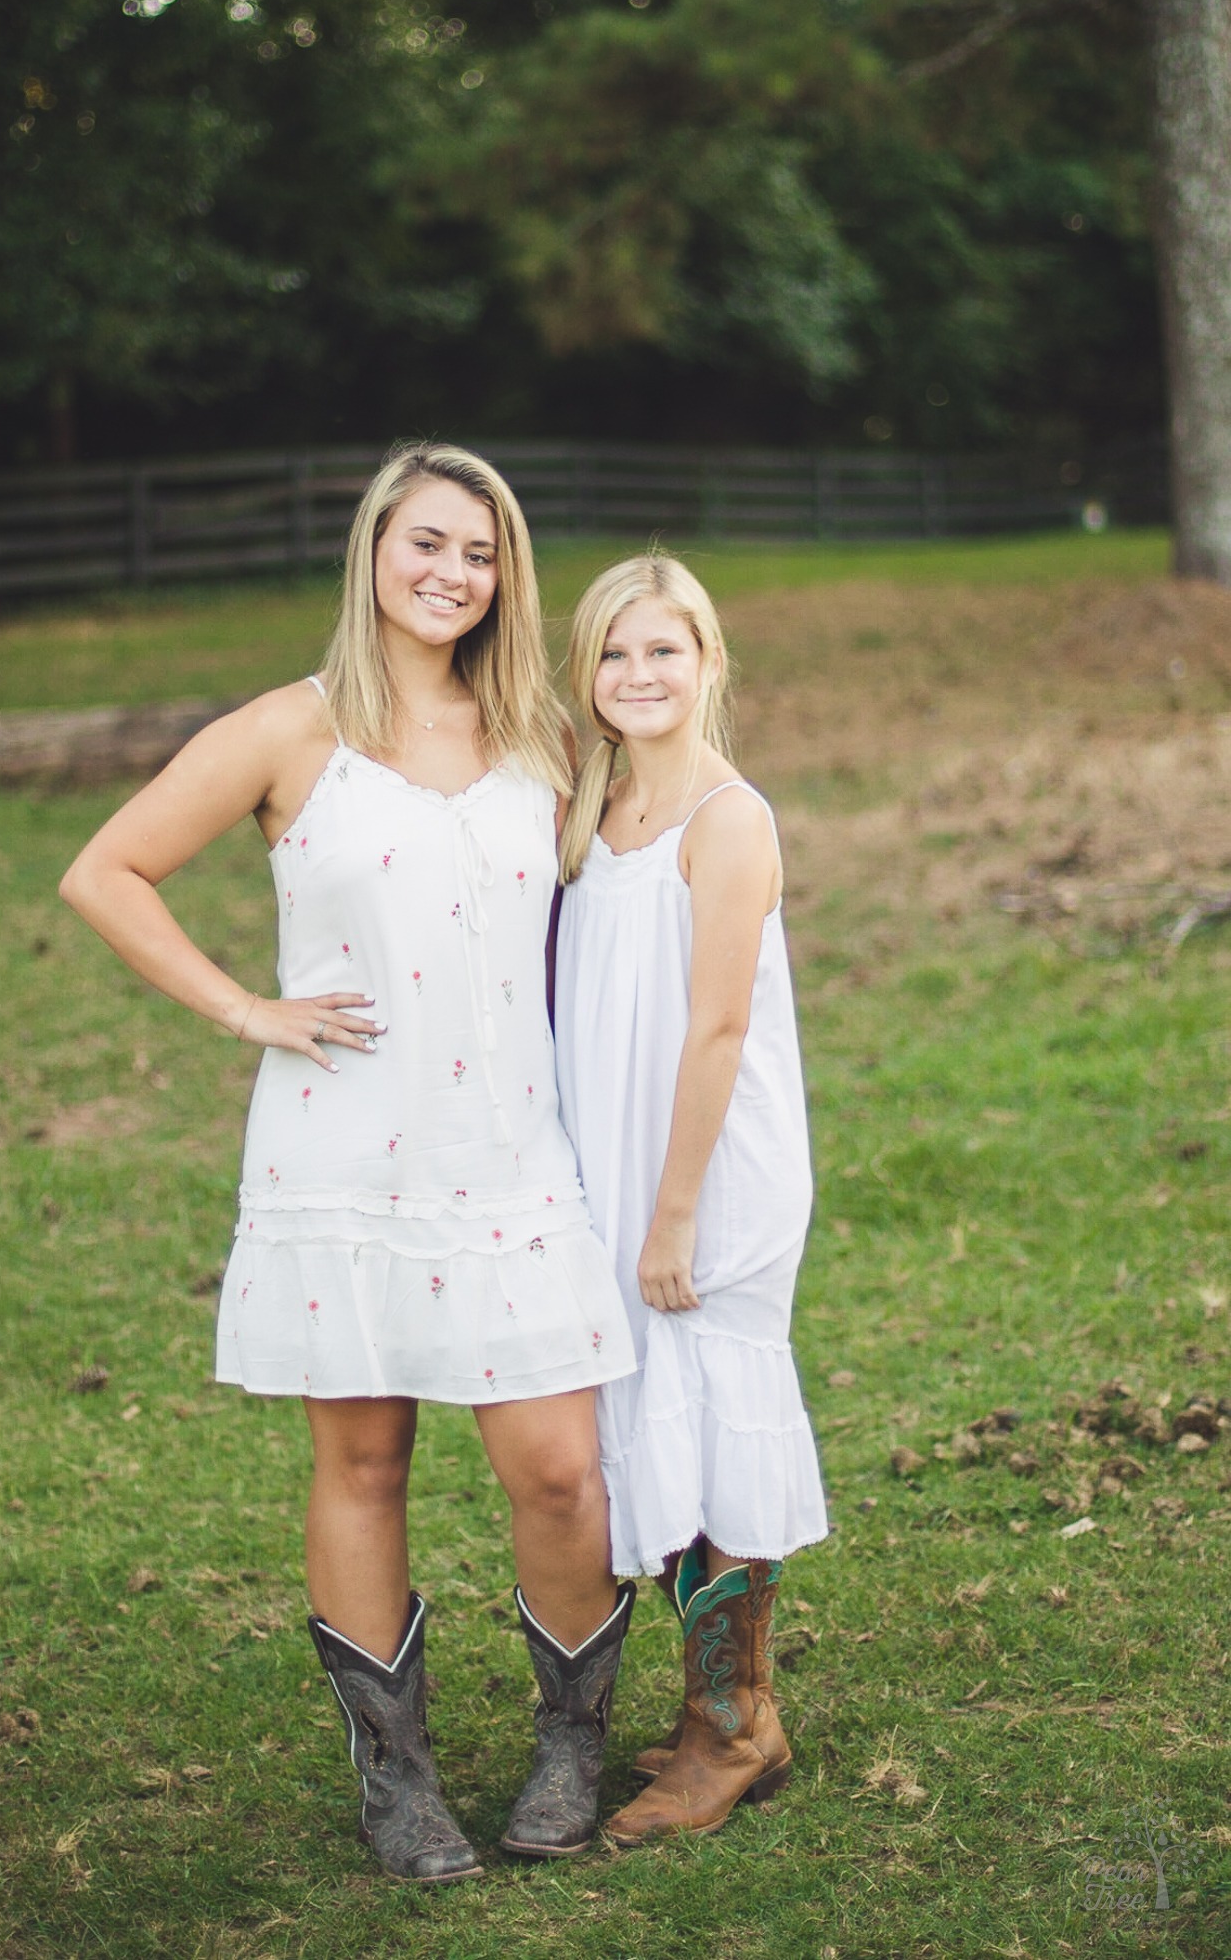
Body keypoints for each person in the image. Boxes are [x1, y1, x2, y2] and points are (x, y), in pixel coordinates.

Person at [59, 444, 637, 1883]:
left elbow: (644, 890)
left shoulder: (543, 736)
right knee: (364, 1461)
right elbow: (106, 870)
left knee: (560, 1470)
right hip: (342, 1151)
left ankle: (574, 1744)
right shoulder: (286, 733)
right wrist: (247, 1009)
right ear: (374, 550)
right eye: (425, 543)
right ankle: (398, 1777)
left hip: (513, 1149)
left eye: (481, 552)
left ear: (507, 575)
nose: (451, 573)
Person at [552, 553, 828, 1845]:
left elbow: (716, 1025)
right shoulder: (593, 807)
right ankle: (721, 1709)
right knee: (655, 1414)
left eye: (664, 650)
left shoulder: (730, 818)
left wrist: (673, 1214)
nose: (640, 674)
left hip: (711, 1167)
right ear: (588, 675)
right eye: (616, 653)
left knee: (712, 1415)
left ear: (708, 661)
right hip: (618, 1156)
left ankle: (734, 1733)